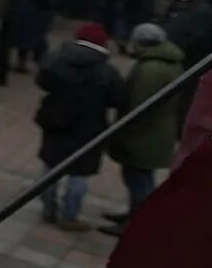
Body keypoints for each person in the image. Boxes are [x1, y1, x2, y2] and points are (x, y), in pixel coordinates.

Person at [35, 22, 126, 232]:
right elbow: (117, 99)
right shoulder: (107, 72)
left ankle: (49, 209)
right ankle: (69, 216)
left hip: (56, 121)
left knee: (50, 167)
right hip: (89, 128)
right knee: (79, 174)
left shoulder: (55, 60)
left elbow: (42, 81)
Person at [104, 23, 187, 235]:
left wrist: (125, 132)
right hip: (157, 131)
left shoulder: (150, 69)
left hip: (143, 134)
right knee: (140, 177)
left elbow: (139, 105)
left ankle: (138, 222)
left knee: (138, 179)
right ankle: (135, 214)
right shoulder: (167, 61)